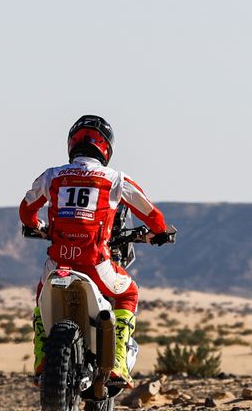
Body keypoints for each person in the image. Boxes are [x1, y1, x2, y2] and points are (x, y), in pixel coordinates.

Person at [18, 115, 174, 386]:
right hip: (96, 263)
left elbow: (26, 210)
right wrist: (159, 233)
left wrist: (38, 225)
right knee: (129, 293)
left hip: (58, 263)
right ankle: (117, 360)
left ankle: (42, 357)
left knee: (41, 299)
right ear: (106, 148)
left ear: (71, 144)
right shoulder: (115, 179)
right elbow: (152, 215)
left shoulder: (52, 175)